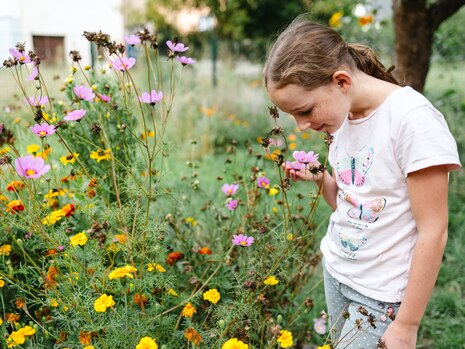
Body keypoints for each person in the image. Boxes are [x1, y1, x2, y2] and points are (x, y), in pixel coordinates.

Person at [263, 15, 461, 349]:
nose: (301, 126)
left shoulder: (412, 122)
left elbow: (434, 231)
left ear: (341, 81)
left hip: (381, 295)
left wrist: (406, 326)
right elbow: (352, 203)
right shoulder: (343, 118)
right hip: (338, 272)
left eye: (305, 110)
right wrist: (320, 178)